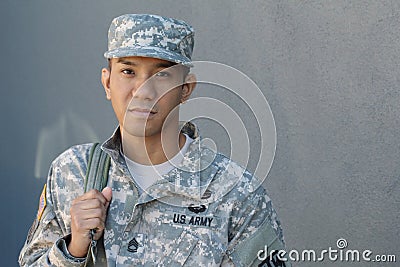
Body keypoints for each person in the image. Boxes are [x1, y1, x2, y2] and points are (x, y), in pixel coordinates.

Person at [19, 14, 289, 266]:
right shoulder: (72, 172)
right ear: (107, 83)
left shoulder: (236, 193)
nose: (144, 91)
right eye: (128, 71)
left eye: (162, 75)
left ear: (185, 89)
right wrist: (74, 247)